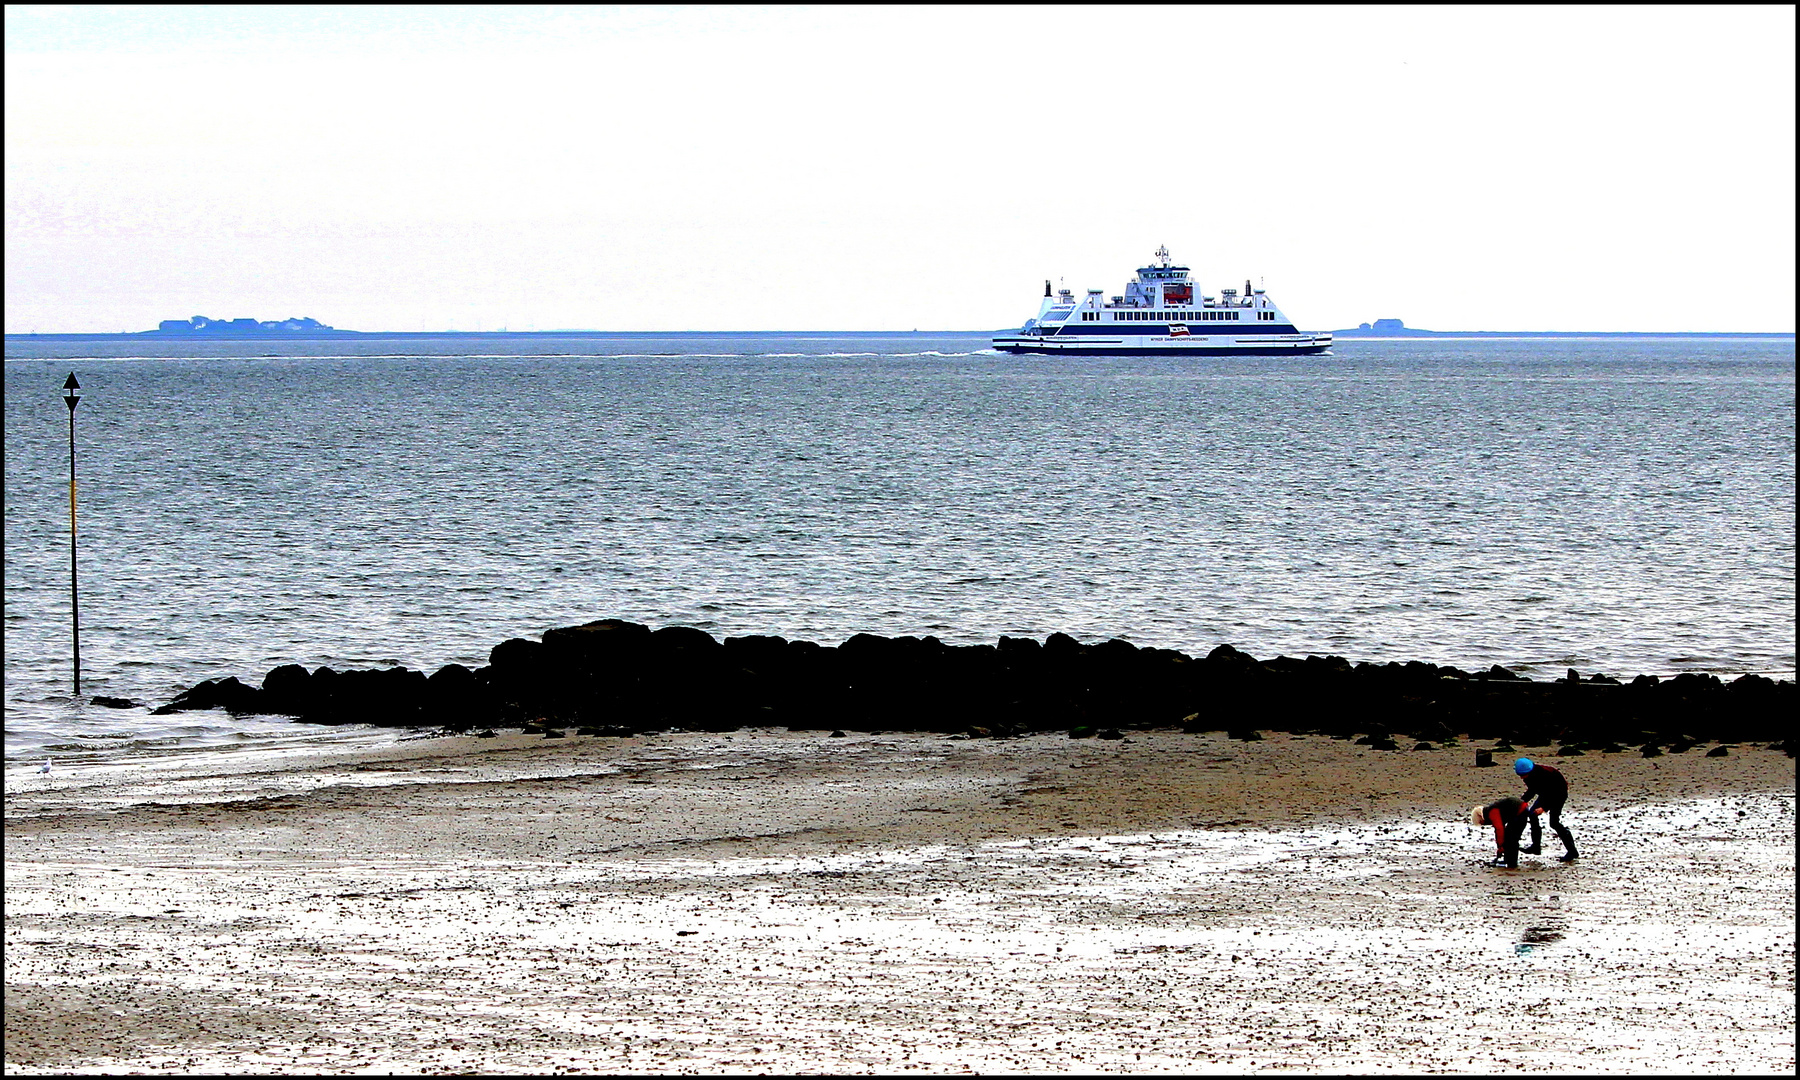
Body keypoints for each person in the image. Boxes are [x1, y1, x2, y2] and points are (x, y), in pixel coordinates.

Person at [1514, 757, 1578, 861]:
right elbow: (1532, 790)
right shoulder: (1528, 775)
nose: (1522, 778)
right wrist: (1521, 802)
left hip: (1558, 795)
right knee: (1532, 814)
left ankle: (1572, 851)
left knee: (1554, 823)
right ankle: (1536, 847)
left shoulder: (1545, 774)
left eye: (1523, 775)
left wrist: (1544, 808)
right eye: (1520, 775)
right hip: (1545, 794)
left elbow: (1553, 793)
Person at [1470, 796, 1537, 867]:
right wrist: (1500, 846)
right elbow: (1498, 830)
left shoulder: (1492, 812)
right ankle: (1508, 860)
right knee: (1509, 836)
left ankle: (1512, 863)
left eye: (1482, 823)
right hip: (1519, 811)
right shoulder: (1492, 810)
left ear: (1481, 817)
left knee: (1512, 839)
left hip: (1520, 812)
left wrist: (1501, 846)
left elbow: (1499, 829)